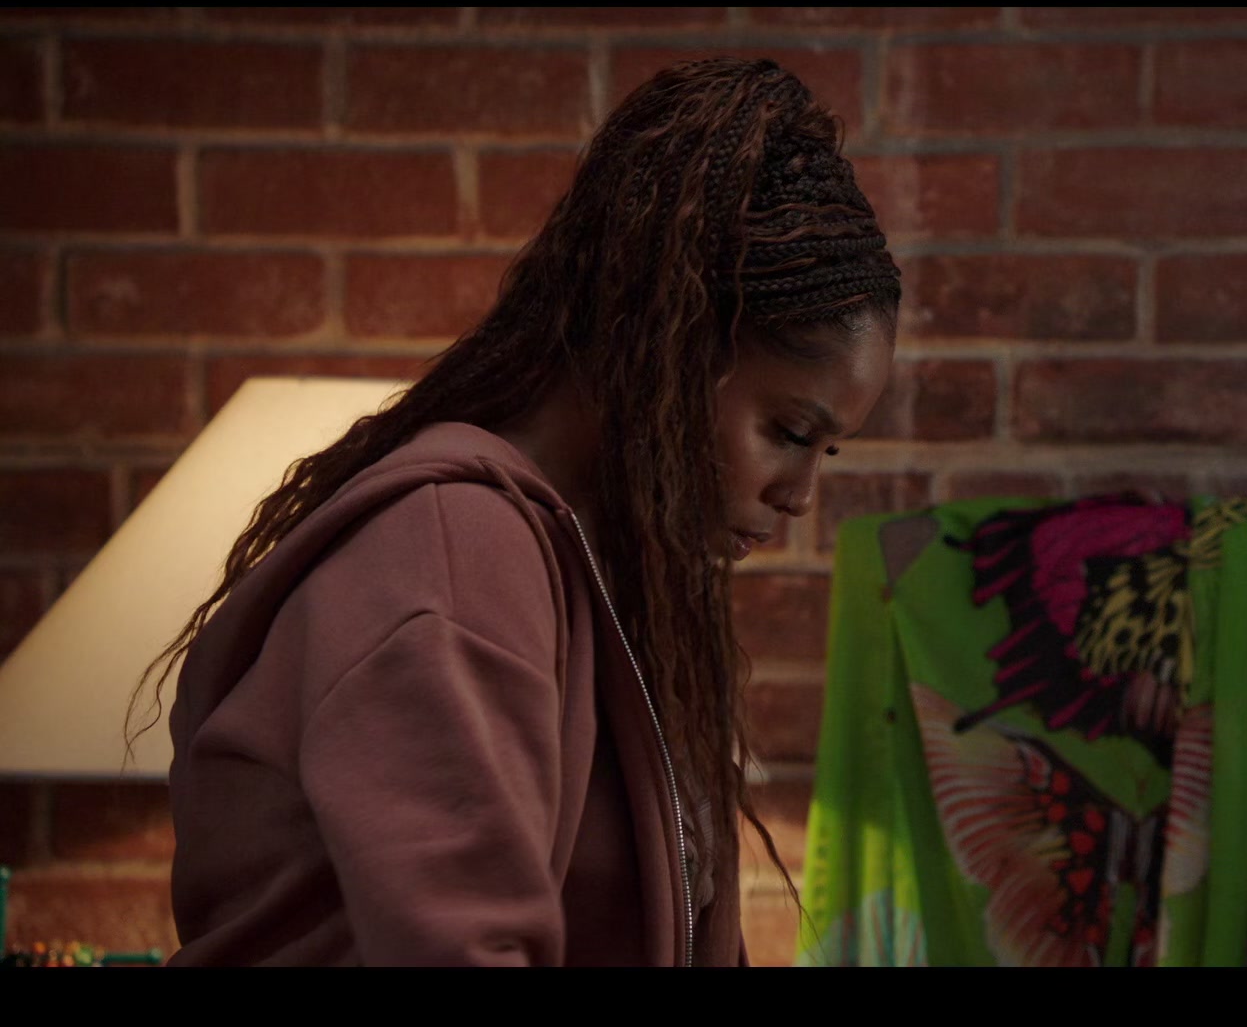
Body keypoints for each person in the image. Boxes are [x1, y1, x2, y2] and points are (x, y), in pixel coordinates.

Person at [131, 58, 901, 966]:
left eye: (824, 450)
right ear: (672, 341)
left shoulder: (615, 585)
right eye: (790, 431)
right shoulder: (455, 552)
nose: (799, 495)